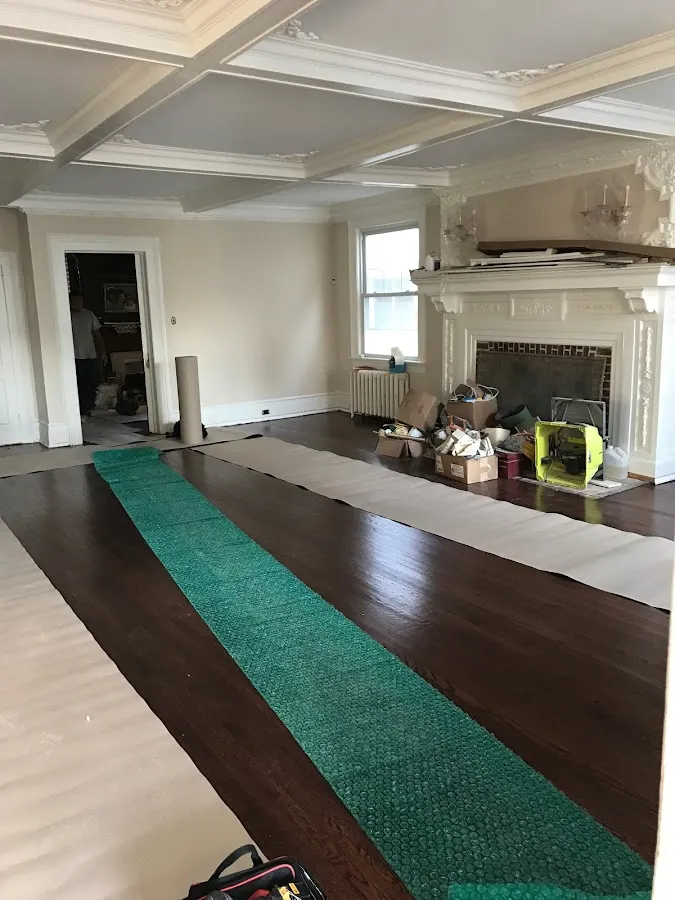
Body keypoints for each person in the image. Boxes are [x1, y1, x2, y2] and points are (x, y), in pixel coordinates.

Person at [69, 293, 108, 417]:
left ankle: (88, 408)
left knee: (90, 382)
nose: (77, 304)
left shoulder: (89, 315)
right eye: (74, 302)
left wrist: (103, 352)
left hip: (90, 354)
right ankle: (78, 409)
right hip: (73, 356)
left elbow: (97, 334)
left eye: (79, 302)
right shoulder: (66, 315)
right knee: (78, 383)